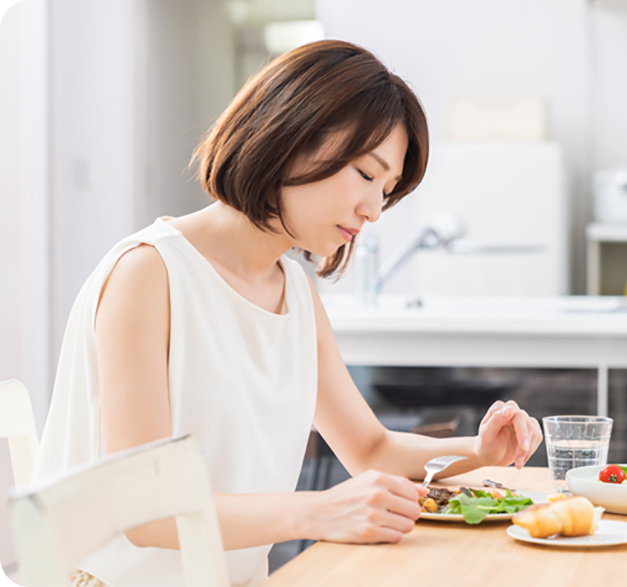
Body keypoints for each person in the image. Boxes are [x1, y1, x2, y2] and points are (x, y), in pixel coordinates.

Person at [33, 40, 543, 587]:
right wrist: (321, 511)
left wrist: (477, 449)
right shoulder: (148, 273)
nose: (374, 209)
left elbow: (370, 449)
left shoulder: (294, 293)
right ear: (291, 136)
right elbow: (145, 510)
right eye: (366, 175)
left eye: (387, 190)